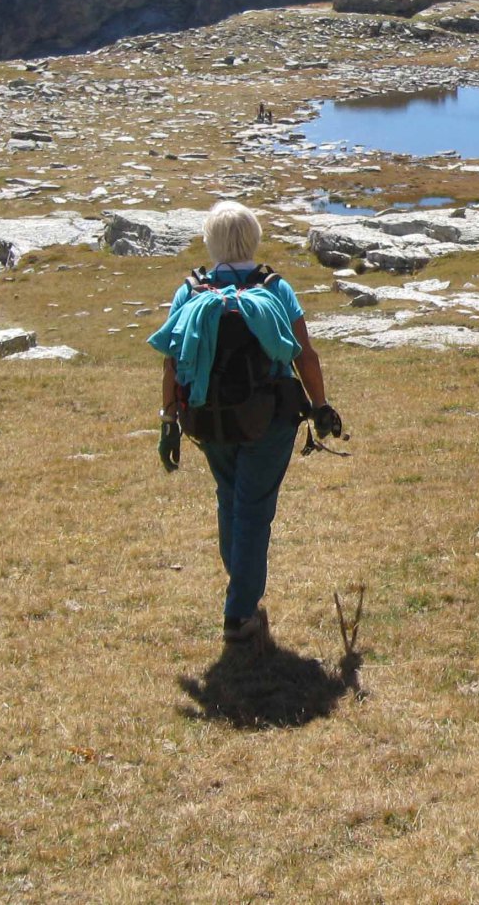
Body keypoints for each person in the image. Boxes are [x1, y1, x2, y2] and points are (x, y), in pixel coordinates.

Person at [149, 200, 342, 650]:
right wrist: (320, 405)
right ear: (253, 239)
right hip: (269, 419)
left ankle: (243, 588)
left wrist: (168, 420)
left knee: (230, 498)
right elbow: (303, 354)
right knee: (254, 509)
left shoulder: (191, 291)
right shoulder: (274, 288)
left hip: (208, 416)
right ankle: (239, 614)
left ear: (210, 242)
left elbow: (172, 363)